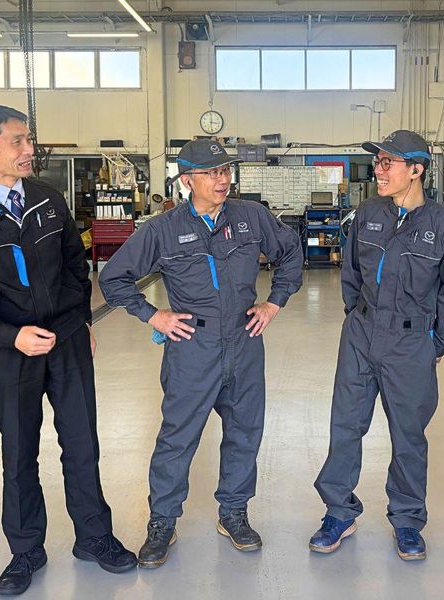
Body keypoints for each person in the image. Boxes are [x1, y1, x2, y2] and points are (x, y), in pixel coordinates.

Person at [0, 105, 136, 596]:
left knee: (82, 444)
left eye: (29, 139)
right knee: (19, 452)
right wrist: (12, 336)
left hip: (66, 342)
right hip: (11, 353)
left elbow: (75, 265)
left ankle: (94, 536)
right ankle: (26, 550)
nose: (30, 150)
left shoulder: (47, 198)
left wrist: (82, 321)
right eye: (18, 142)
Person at [99, 139, 303, 567]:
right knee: (178, 437)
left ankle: (234, 512)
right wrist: (154, 316)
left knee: (245, 431)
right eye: (212, 173)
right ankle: (162, 521)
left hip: (244, 341)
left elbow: (290, 253)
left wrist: (274, 303)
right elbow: (114, 278)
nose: (222, 179)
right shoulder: (162, 229)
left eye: (225, 171)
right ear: (187, 180)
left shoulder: (251, 217)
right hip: (193, 347)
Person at [310, 130, 444, 560]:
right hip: (362, 334)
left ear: (416, 170)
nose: (379, 171)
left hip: (410, 342)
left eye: (388, 163)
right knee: (345, 425)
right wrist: (356, 315)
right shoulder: (368, 213)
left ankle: (407, 520)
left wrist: (437, 343)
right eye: (378, 162)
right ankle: (338, 512)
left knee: (408, 435)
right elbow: (351, 272)